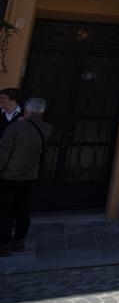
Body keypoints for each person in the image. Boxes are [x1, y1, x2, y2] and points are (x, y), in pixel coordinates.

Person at [0, 97, 51, 256]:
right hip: (30, 175)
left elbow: (3, 153)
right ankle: (19, 241)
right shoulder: (47, 128)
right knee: (23, 209)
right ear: (42, 112)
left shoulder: (15, 128)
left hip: (10, 175)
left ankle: (3, 244)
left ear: (26, 110)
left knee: (4, 210)